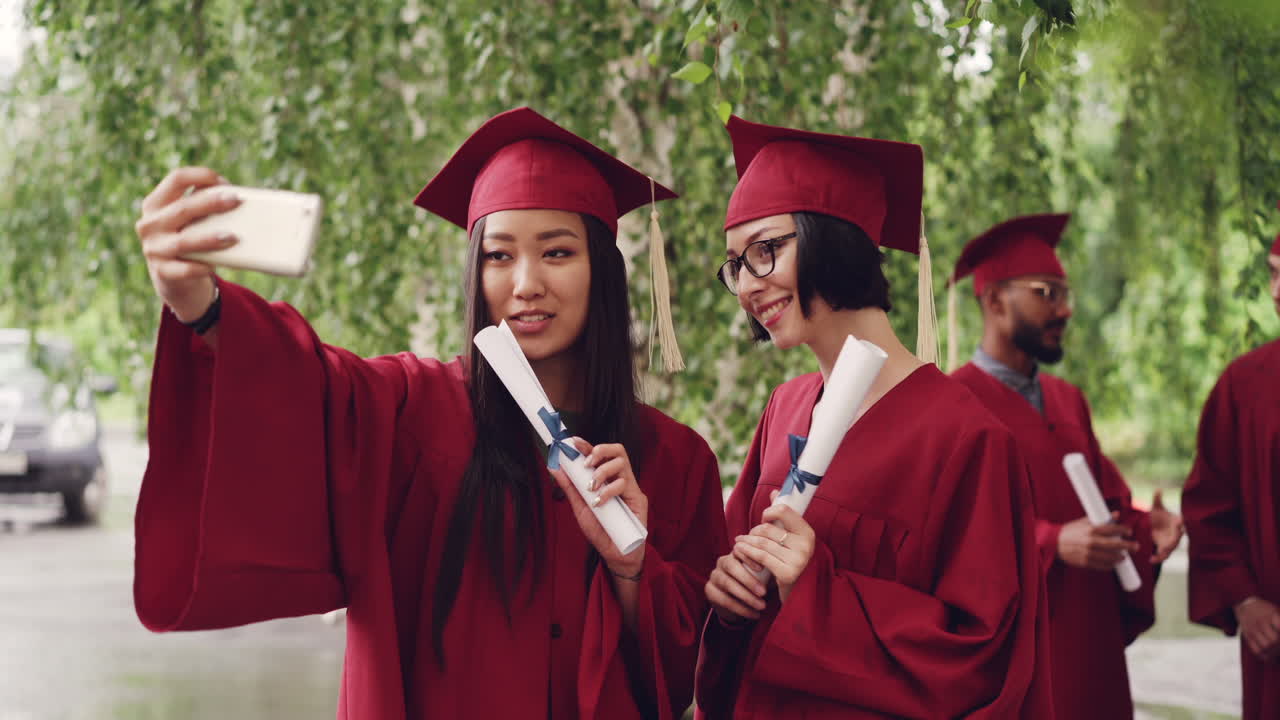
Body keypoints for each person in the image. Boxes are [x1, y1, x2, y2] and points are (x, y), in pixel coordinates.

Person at [131, 106, 728, 720]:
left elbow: (696, 675)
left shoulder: (673, 460)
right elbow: (308, 390)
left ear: (601, 269)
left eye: (556, 253)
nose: (525, 283)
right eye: (498, 256)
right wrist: (201, 308)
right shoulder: (412, 411)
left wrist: (630, 566)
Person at [694, 116, 1054, 719]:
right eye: (736, 265)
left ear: (832, 236)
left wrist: (815, 593)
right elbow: (737, 594)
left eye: (764, 251)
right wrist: (730, 603)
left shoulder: (965, 437)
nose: (748, 287)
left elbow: (984, 652)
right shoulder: (782, 410)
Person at [947, 213, 1183, 719]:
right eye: (1045, 292)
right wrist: (1052, 541)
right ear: (993, 301)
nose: (1065, 309)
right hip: (1017, 658)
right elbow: (950, 537)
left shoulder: (1067, 399)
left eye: (1064, 294)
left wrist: (1149, 528)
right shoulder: (952, 403)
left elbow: (1108, 506)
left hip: (1088, 642)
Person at [1181, 225, 1280, 720]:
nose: (1277, 291)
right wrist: (1244, 600)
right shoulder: (1245, 386)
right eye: (1273, 274)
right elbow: (1210, 508)